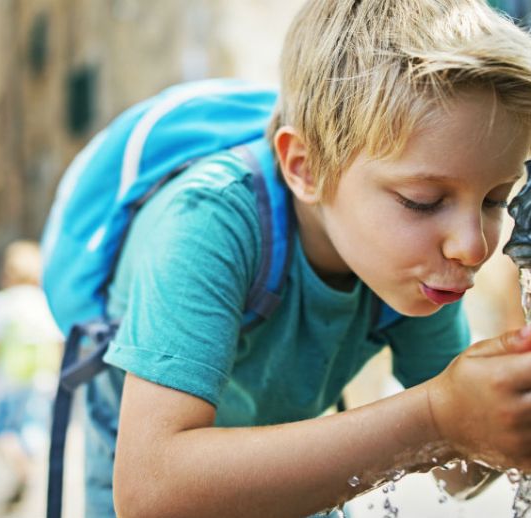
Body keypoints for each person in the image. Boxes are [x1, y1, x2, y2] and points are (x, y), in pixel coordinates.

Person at [79, 1, 531, 516]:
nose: (472, 247)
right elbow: (151, 489)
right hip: (149, 462)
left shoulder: (425, 269)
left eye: (495, 200)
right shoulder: (210, 221)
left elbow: (462, 473)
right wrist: (435, 417)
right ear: (307, 168)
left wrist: (500, 414)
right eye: (422, 201)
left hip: (283, 455)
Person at [0, 240, 62, 504]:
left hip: (9, 381)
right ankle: (30, 469)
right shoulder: (46, 303)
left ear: (7, 273)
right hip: (43, 380)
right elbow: (59, 342)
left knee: (2, 431)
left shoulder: (0, 303)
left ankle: (24, 471)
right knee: (33, 429)